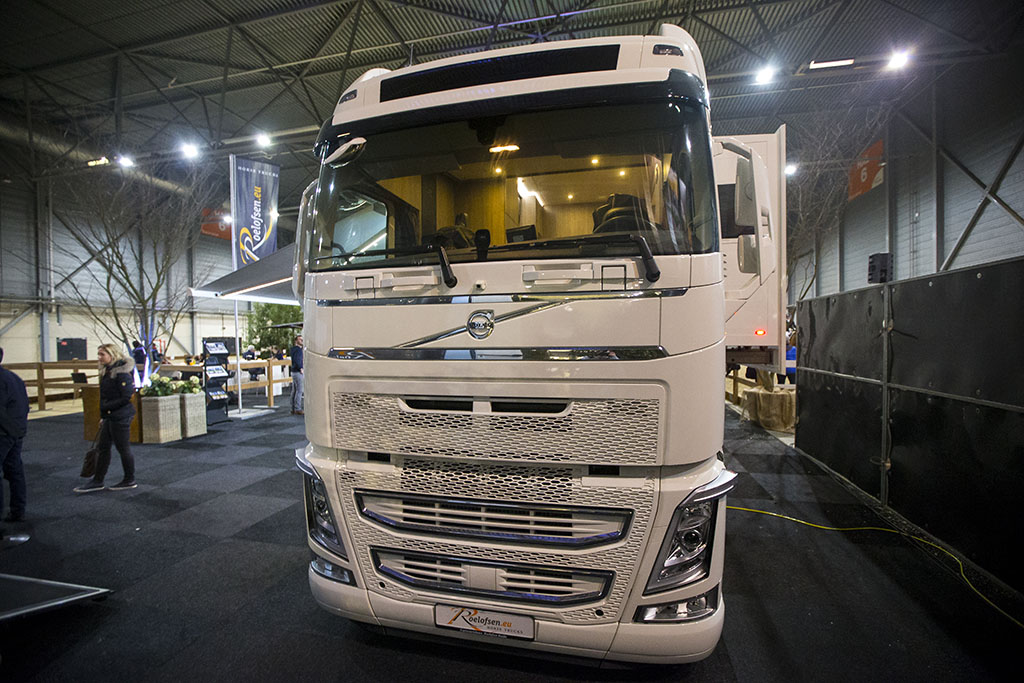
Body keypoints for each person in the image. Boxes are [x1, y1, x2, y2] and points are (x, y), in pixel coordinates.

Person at [75, 344, 138, 493]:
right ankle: (98, 480)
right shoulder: (108, 371)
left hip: (121, 416)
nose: (99, 357)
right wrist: (104, 416)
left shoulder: (121, 373)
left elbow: (126, 397)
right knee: (103, 448)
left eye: (102, 354)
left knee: (123, 448)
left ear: (112, 354)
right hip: (110, 415)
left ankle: (129, 479)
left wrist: (107, 408)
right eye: (99, 354)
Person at [0, 348, 29, 523]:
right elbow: (24, 404)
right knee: (15, 471)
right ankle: (18, 510)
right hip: (16, 430)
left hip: (4, 432)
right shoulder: (14, 377)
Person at [290, 335, 304, 415]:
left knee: (294, 390)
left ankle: (292, 408)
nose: (302, 340)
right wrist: (300, 368)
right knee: (299, 390)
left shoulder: (293, 349)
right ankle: (298, 408)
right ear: (296, 341)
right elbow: (298, 360)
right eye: (300, 339)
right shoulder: (298, 350)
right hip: (298, 371)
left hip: (293, 371)